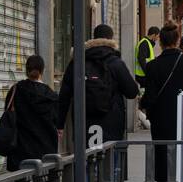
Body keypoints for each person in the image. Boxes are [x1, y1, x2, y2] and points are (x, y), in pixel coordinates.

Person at [57, 24, 140, 165]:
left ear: (93, 38)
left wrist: (60, 124)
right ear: (111, 39)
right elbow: (132, 92)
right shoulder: (115, 63)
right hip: (112, 123)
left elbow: (64, 94)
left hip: (84, 123)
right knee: (110, 163)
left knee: (85, 162)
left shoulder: (78, 62)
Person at [141, 21, 183, 182]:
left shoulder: (152, 66)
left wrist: (146, 108)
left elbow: (150, 96)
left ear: (160, 42)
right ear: (177, 40)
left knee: (162, 155)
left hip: (161, 120)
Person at [6, 54, 59, 182]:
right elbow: (57, 122)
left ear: (26, 70)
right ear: (43, 71)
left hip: (20, 149)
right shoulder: (50, 95)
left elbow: (8, 116)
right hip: (45, 150)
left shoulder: (16, 91)